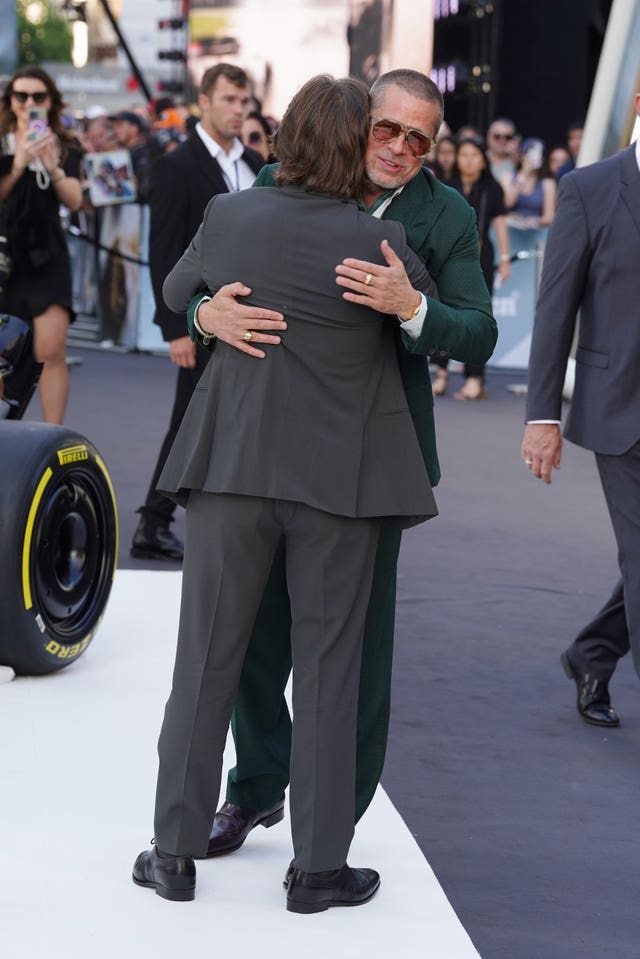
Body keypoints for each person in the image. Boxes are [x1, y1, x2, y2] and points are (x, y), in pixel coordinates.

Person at [132, 74, 439, 911]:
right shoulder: (382, 242)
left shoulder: (231, 218)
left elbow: (170, 290)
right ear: (354, 145)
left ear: (288, 137)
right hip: (339, 486)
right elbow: (430, 317)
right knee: (332, 673)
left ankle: (174, 852)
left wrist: (204, 316)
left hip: (233, 471)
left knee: (203, 666)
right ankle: (317, 871)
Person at [189, 69, 497, 859]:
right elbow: (192, 276)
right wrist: (204, 312)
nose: (399, 149)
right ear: (360, 123)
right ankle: (253, 791)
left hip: (371, 462)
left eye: (419, 139)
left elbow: (477, 331)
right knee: (254, 636)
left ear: (434, 147)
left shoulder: (447, 214)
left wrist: (413, 309)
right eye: (386, 129)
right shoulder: (274, 182)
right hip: (263, 450)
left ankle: (330, 830)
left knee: (356, 650)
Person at [521, 92, 640, 729]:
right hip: (622, 411)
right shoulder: (590, 189)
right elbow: (554, 308)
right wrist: (543, 415)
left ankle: (592, 652)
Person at [129, 63, 264, 562]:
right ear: (203, 102)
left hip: (250, 314)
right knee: (191, 421)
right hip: (202, 318)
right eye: (229, 99)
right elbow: (163, 252)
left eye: (244, 101)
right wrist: (176, 326)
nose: (238, 110)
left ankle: (213, 524)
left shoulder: (255, 164)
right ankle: (154, 521)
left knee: (236, 421)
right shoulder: (176, 166)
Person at [0, 66, 83, 425]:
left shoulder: (65, 144)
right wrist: (18, 164)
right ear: (10, 101)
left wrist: (55, 169)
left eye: (38, 96)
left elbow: (76, 200)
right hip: (5, 255)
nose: (29, 103)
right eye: (21, 96)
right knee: (3, 352)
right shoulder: (2, 141)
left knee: (50, 349)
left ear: (50, 101)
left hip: (48, 254)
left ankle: (51, 434)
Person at [431, 136, 510, 400]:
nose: (468, 160)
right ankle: (441, 374)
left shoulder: (492, 188)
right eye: (463, 155)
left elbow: (499, 225)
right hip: (448, 258)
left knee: (478, 316)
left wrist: (506, 258)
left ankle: (475, 378)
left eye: (474, 155)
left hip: (481, 257)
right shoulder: (446, 186)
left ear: (483, 159)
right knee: (445, 312)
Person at [502, 137, 557, 229]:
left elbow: (549, 217)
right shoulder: (508, 177)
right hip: (510, 229)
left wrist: (534, 221)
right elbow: (507, 203)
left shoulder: (548, 183)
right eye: (530, 154)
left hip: (535, 231)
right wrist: (524, 174)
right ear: (522, 156)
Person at [486, 117, 518, 181]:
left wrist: (516, 158)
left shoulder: (520, 161)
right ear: (488, 138)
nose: (502, 141)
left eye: (508, 137)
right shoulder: (480, 158)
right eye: (497, 136)